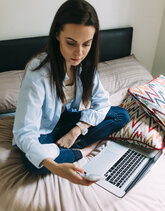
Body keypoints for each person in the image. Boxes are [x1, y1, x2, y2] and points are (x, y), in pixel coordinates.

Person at [12, 0, 130, 186]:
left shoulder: (85, 66)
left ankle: (69, 146)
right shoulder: (38, 73)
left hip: (67, 121)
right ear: (57, 34)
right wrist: (57, 168)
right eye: (71, 43)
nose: (79, 52)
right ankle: (81, 151)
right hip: (43, 131)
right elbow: (23, 133)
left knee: (121, 114)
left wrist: (76, 130)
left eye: (86, 44)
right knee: (33, 163)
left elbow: (103, 104)